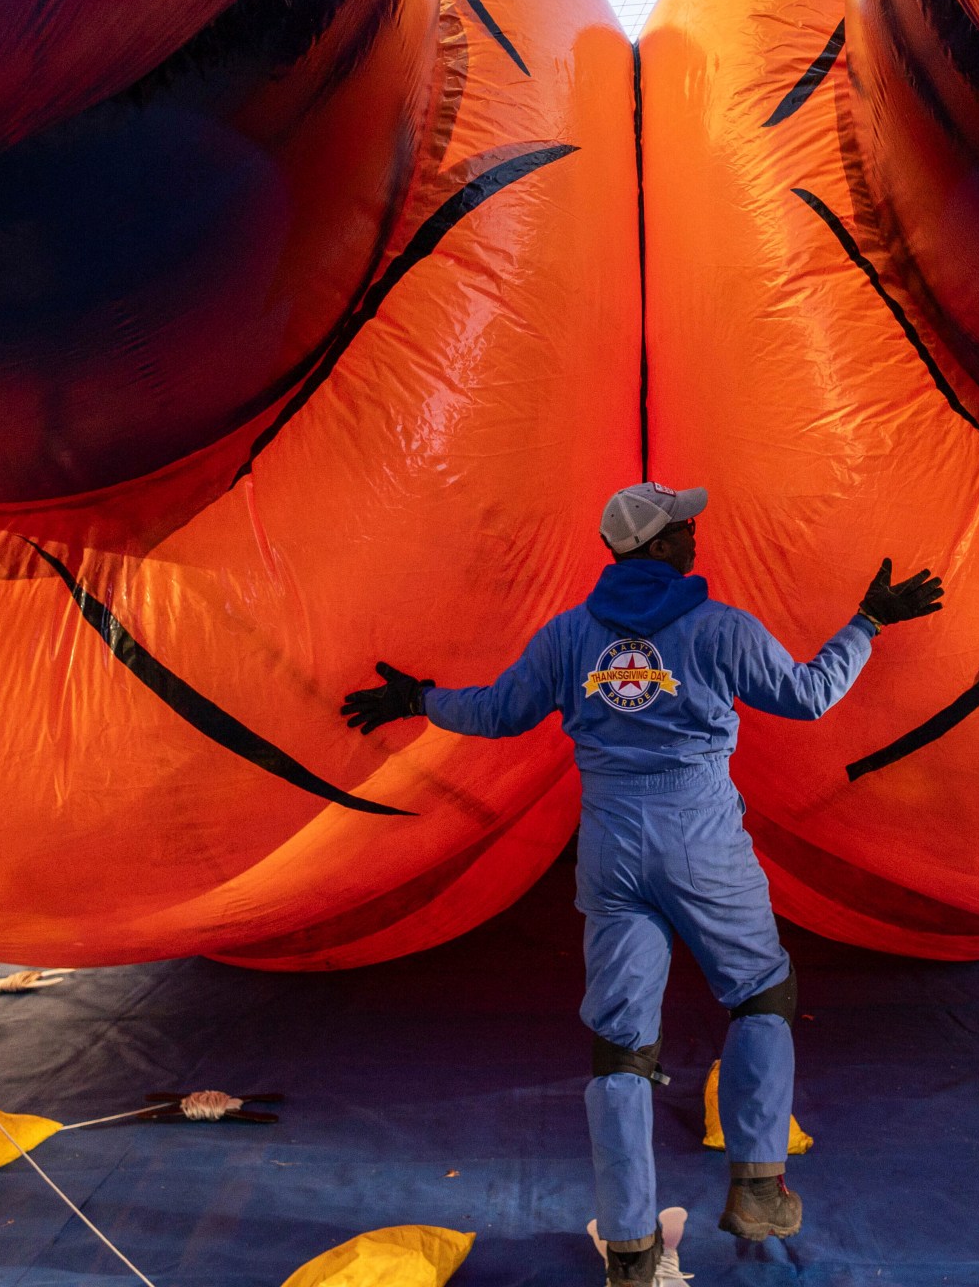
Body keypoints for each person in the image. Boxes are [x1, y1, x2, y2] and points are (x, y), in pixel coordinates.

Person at [342, 482, 942, 1286]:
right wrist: (868, 621)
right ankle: (759, 1189)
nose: (696, 535)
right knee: (762, 993)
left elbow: (498, 712)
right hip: (701, 843)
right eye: (684, 527)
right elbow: (808, 695)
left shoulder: (568, 636)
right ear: (658, 546)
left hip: (614, 849)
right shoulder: (719, 627)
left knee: (621, 1047)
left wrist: (418, 698)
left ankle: (629, 1253)